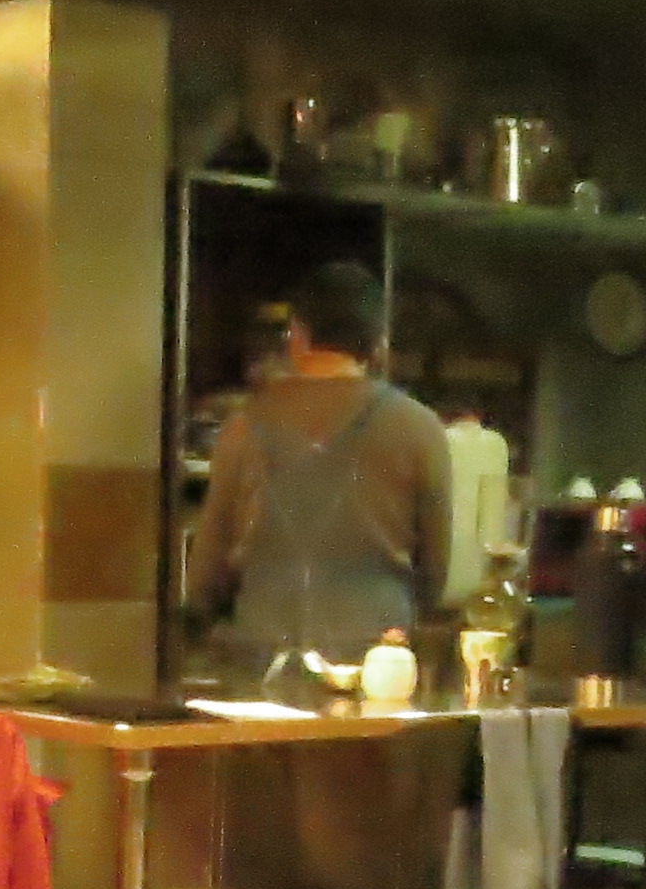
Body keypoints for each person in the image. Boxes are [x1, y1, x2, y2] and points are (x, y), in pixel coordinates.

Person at [186, 259, 451, 674]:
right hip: (378, 659)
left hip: (262, 653)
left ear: (297, 336)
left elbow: (207, 568)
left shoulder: (244, 425)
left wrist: (200, 625)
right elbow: (435, 571)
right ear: (379, 344)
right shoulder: (420, 427)